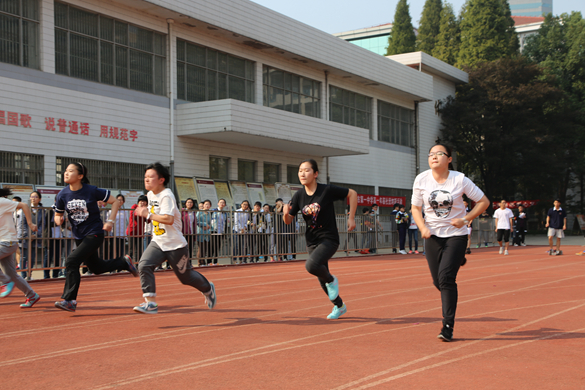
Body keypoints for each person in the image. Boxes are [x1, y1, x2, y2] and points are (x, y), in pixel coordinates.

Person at [411, 144, 489, 342]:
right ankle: (456, 259)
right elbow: (415, 208)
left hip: (456, 234)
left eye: (439, 153)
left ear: (449, 159)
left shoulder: (459, 179)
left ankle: (447, 326)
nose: (434, 157)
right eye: (431, 154)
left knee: (446, 278)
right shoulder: (421, 179)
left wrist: (465, 219)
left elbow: (483, 202)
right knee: (438, 281)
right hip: (432, 236)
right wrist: (422, 227)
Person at [132, 162, 216, 314]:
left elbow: (169, 219)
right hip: (158, 242)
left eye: (151, 177)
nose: (146, 180)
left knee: (186, 278)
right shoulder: (150, 195)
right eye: (145, 177)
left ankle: (208, 288)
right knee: (144, 265)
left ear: (161, 179)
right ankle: (150, 303)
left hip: (175, 245)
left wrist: (148, 214)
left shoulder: (167, 196)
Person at [52, 163, 137, 312]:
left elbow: (115, 201)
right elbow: (57, 215)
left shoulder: (91, 190)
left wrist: (110, 221)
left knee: (72, 261)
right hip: (79, 236)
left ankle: (69, 300)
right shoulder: (62, 194)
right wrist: (58, 220)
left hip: (94, 233)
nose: (66, 173)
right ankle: (123, 262)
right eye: (65, 171)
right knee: (96, 267)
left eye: (70, 171)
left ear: (80, 176)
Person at [284, 159, 357, 320]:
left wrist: (351, 218)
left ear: (315, 174)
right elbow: (288, 221)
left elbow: (352, 193)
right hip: (312, 241)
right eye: (300, 170)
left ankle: (332, 280)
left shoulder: (326, 190)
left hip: (329, 239)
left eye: (307, 170)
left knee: (312, 265)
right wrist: (285, 213)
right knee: (321, 277)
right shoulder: (299, 195)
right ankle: (339, 306)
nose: (302, 173)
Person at [0, 188, 41, 308]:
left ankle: (5, 282)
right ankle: (31, 295)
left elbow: (23, 205)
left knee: (9, 278)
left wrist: (30, 223)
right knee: (12, 275)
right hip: (3, 243)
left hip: (8, 243)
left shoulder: (2, 201)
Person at [18, 191, 47, 279]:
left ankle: (29, 275)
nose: (33, 198)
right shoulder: (25, 208)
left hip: (35, 237)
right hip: (25, 237)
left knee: (32, 258)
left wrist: (36, 235)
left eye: (35, 197)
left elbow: (43, 224)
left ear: (40, 199)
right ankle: (23, 276)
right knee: (24, 257)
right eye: (32, 196)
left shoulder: (42, 210)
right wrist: (27, 235)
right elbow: (22, 224)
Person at [126, 195, 148, 262]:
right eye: (141, 201)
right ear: (138, 202)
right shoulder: (134, 206)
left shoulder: (145, 210)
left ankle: (138, 266)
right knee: (131, 250)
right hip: (132, 232)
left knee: (139, 251)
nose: (142, 203)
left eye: (144, 202)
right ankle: (129, 265)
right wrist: (142, 211)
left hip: (140, 233)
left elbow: (148, 220)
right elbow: (133, 215)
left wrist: (147, 212)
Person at [209, 198, 227, 265]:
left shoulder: (224, 213)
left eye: (223, 203)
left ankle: (215, 261)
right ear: (218, 203)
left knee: (218, 247)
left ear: (224, 204)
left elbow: (224, 222)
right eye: (220, 202)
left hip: (220, 231)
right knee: (212, 246)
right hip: (214, 230)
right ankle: (209, 261)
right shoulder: (214, 210)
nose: (222, 204)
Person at [181, 198, 197, 264]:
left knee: (190, 248)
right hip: (184, 233)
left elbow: (194, 223)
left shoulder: (193, 212)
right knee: (183, 249)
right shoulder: (182, 211)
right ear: (186, 203)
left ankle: (189, 263)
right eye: (188, 202)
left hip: (191, 233)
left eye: (191, 202)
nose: (189, 204)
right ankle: (183, 263)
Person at [197, 200, 212, 265]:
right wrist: (205, 224)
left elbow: (211, 222)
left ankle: (203, 261)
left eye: (208, 204)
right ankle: (200, 262)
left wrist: (209, 226)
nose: (207, 206)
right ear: (203, 205)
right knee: (201, 248)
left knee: (205, 248)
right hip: (200, 231)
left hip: (207, 232)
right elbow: (197, 221)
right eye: (206, 204)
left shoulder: (209, 213)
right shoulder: (199, 212)